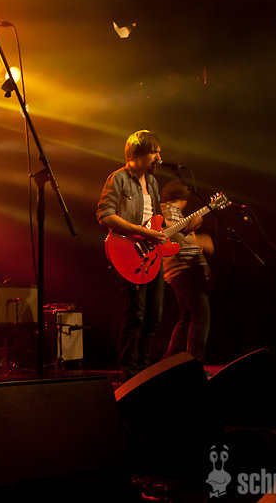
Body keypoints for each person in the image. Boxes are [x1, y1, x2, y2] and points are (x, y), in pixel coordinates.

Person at [97, 129, 167, 380]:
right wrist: (142, 232)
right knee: (135, 315)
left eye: (159, 152)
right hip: (128, 253)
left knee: (153, 316)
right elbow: (105, 215)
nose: (159, 158)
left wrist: (180, 228)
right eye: (153, 152)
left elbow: (157, 220)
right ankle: (130, 374)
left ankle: (144, 371)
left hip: (151, 255)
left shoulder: (153, 182)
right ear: (135, 155)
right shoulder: (118, 178)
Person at [159, 179, 212, 364]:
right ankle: (194, 364)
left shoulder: (170, 213)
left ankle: (169, 361)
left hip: (176, 272)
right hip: (183, 271)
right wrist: (200, 241)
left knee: (187, 318)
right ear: (182, 198)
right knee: (200, 318)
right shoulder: (170, 212)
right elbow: (177, 242)